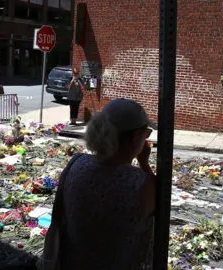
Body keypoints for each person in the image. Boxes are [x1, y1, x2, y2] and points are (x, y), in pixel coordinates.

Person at [56, 98, 157, 269]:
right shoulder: (141, 184)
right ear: (136, 137)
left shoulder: (76, 164)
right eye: (145, 134)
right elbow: (158, 203)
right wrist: (144, 164)